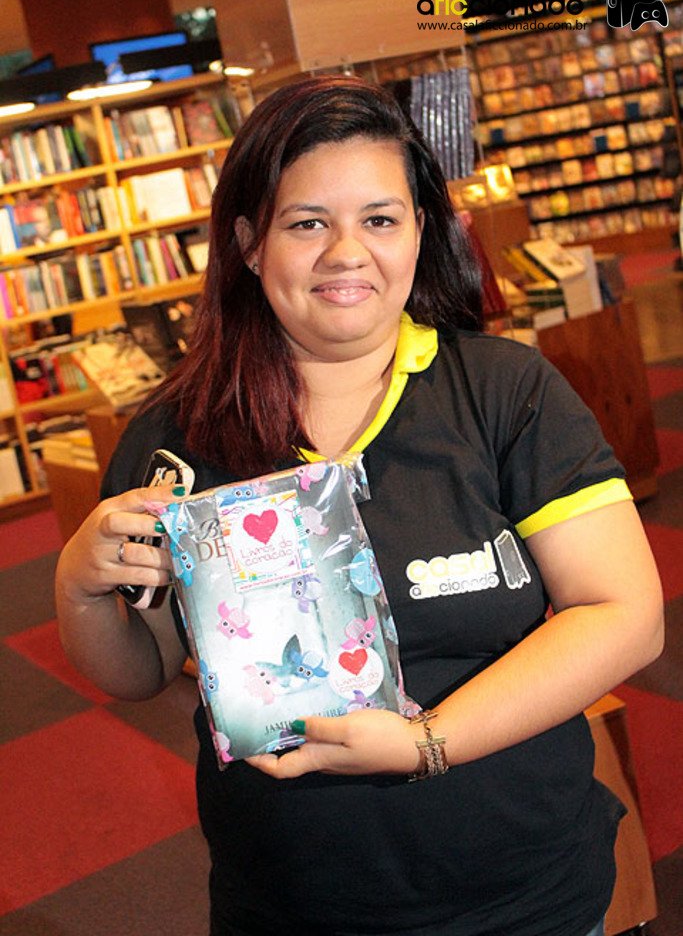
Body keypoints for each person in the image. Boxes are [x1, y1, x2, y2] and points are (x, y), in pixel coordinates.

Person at [56, 76, 663, 936]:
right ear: (249, 243)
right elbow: (143, 666)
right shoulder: (175, 434)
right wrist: (78, 585)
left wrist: (428, 741)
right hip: (290, 901)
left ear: (419, 231)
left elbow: (624, 615)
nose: (347, 252)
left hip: (524, 893)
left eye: (379, 219)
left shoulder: (503, 390)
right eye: (307, 223)